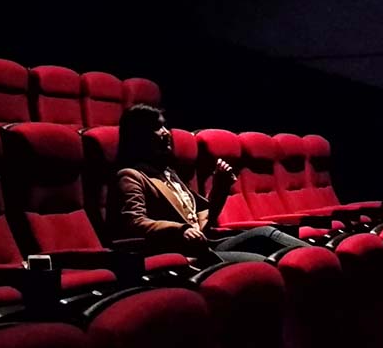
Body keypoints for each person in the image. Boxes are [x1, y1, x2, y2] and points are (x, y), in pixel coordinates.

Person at [111, 104, 309, 263]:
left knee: (266, 234)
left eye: (165, 126)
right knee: (262, 262)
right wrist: (180, 229)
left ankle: (322, 259)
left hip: (204, 245)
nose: (166, 133)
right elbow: (134, 222)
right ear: (139, 136)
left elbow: (205, 217)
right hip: (179, 253)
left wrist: (220, 187)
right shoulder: (131, 175)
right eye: (157, 127)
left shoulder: (169, 173)